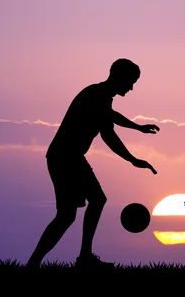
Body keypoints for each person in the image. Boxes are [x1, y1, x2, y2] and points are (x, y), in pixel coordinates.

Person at [26, 58, 159, 270]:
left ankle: (51, 261)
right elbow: (111, 125)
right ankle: (78, 258)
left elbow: (109, 129)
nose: (132, 87)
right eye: (131, 81)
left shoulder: (103, 98)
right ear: (119, 76)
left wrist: (135, 149)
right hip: (65, 157)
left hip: (68, 156)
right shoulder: (95, 94)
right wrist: (137, 137)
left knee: (72, 213)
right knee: (80, 208)